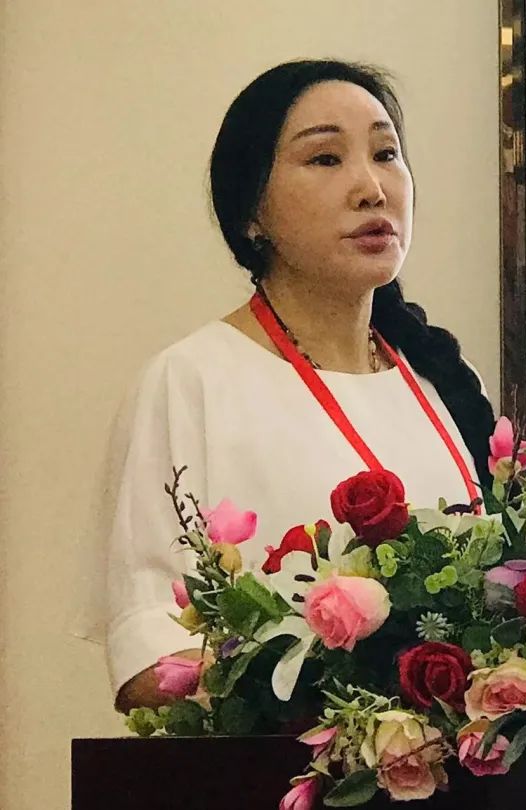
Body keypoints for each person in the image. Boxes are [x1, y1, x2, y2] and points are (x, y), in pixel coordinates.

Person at [75, 59, 496, 713]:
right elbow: (152, 659)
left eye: (386, 154)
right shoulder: (191, 381)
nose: (371, 188)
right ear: (251, 214)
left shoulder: (434, 383)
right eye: (325, 158)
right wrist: (338, 719)